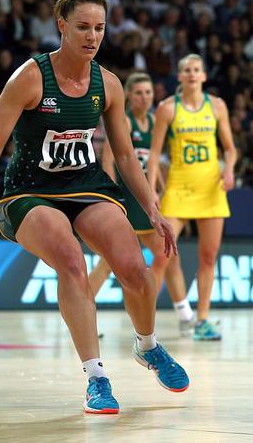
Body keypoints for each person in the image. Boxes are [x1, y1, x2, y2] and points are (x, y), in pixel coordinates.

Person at [0, 0, 188, 415]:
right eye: (84, 27)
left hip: (86, 185)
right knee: (70, 259)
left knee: (134, 267)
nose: (93, 37)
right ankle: (96, 379)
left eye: (100, 28)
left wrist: (153, 209)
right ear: (62, 26)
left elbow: (127, 157)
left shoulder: (108, 84)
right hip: (28, 193)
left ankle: (147, 346)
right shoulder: (30, 78)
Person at [147, 53, 236, 341]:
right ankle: (145, 322)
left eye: (197, 69)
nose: (192, 74)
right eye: (187, 70)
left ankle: (202, 320)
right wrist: (151, 190)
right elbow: (154, 154)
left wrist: (230, 170)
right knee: (161, 256)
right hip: (178, 188)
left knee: (208, 257)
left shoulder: (218, 106)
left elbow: (230, 149)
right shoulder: (167, 108)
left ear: (204, 76)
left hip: (211, 189)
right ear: (180, 76)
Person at [87, 72, 181, 322]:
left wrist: (159, 189)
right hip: (126, 199)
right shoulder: (124, 121)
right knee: (108, 262)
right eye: (139, 93)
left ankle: (185, 316)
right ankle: (82, 309)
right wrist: (111, 198)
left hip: (145, 198)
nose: (145, 98)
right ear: (128, 94)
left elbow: (154, 164)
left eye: (148, 92)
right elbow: (107, 160)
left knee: (167, 254)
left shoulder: (153, 121)